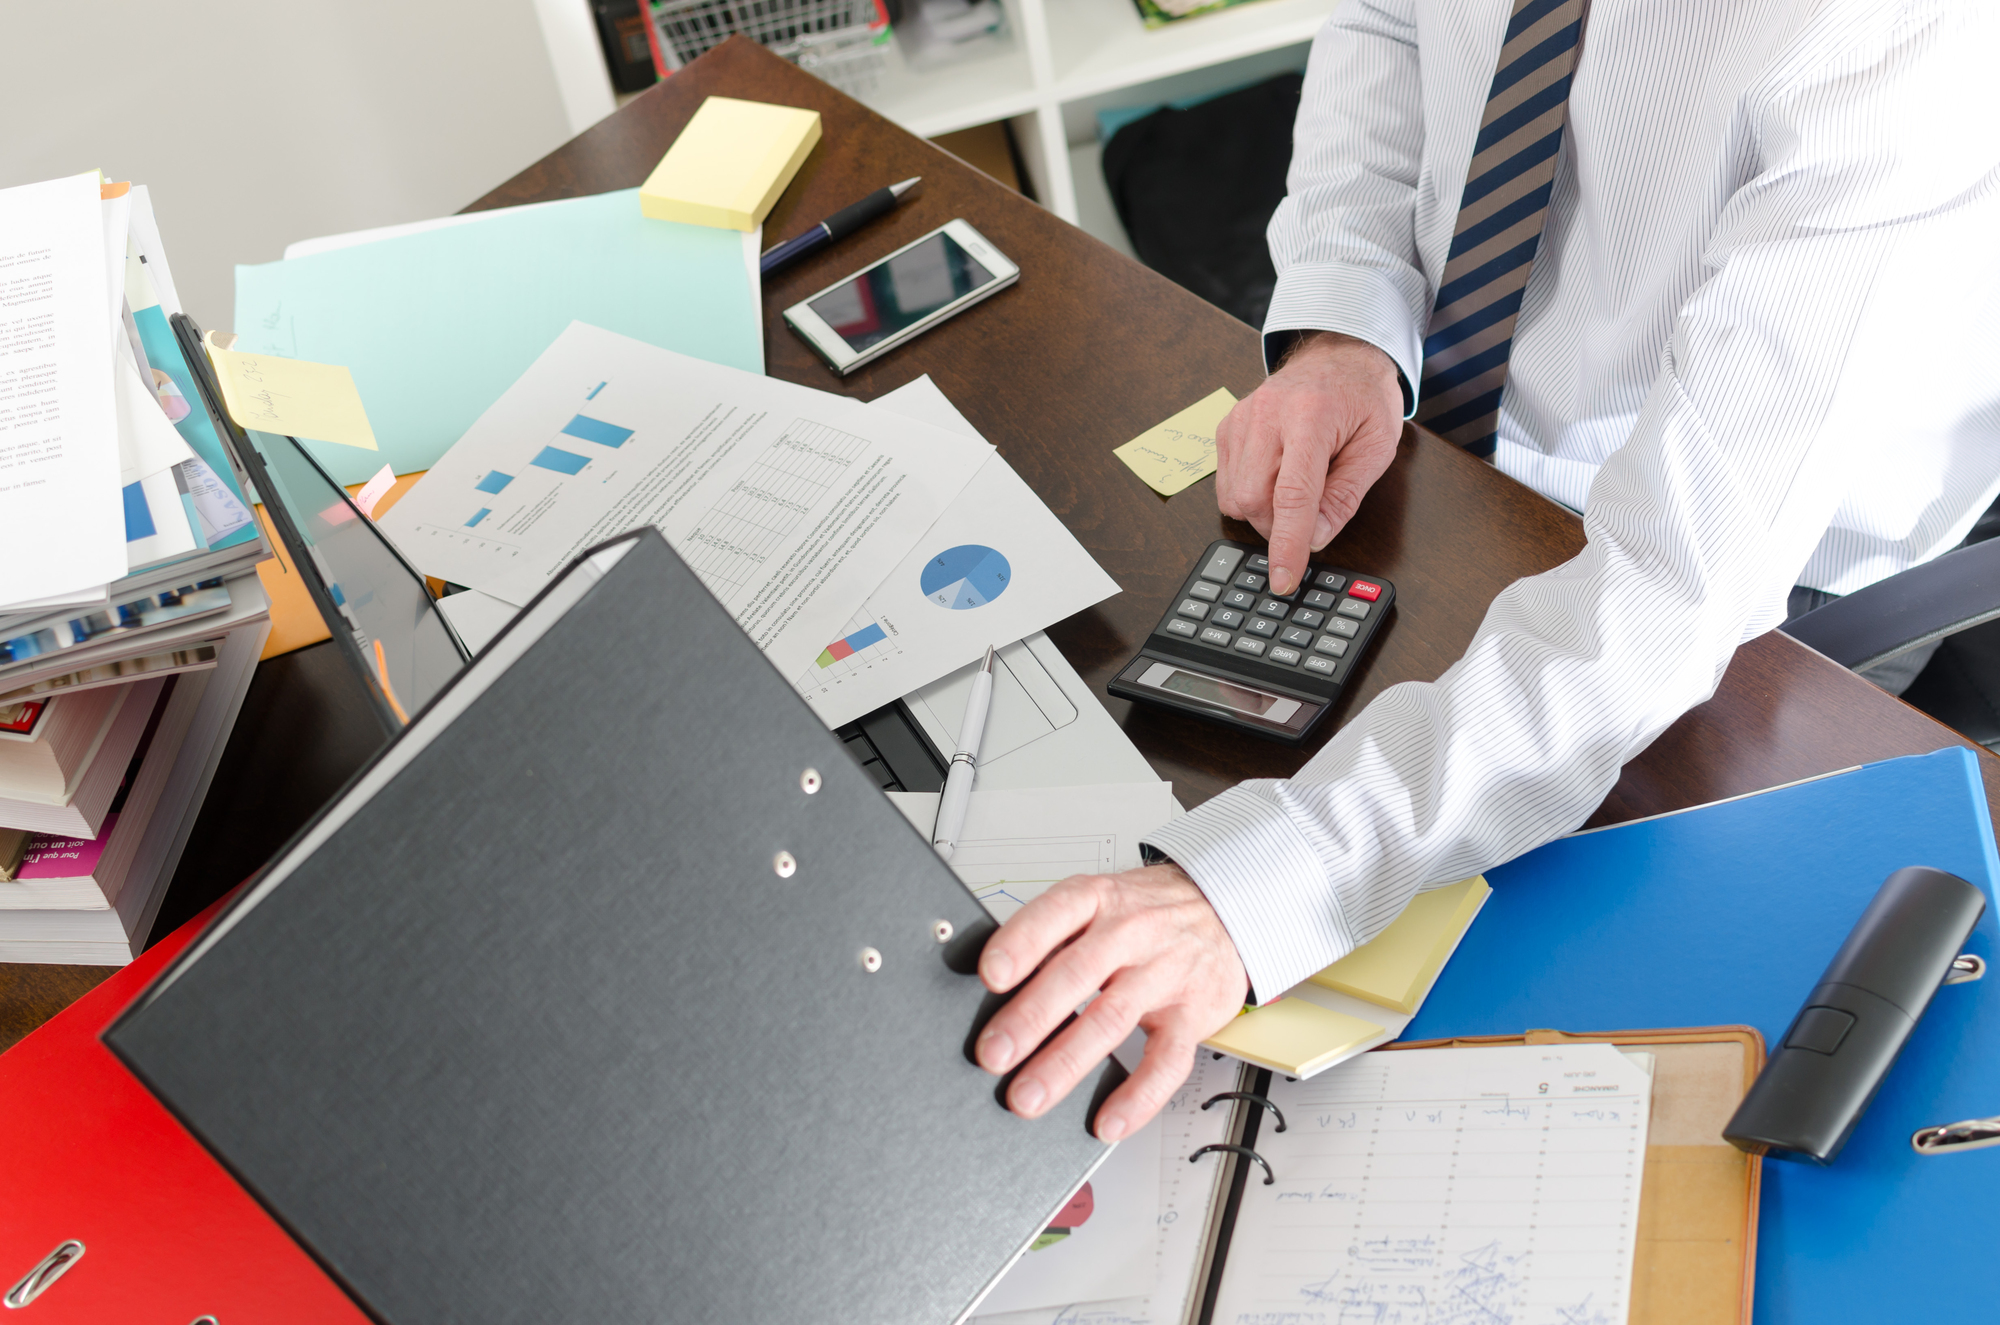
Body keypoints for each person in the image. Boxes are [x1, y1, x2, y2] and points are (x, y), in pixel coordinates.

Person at [971, 0, 2000, 1142]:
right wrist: (1343, 325)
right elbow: (1385, 25)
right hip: (1478, 447)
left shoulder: (1906, 30)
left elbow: (1667, 590)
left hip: (1769, 580)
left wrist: (1250, 893)